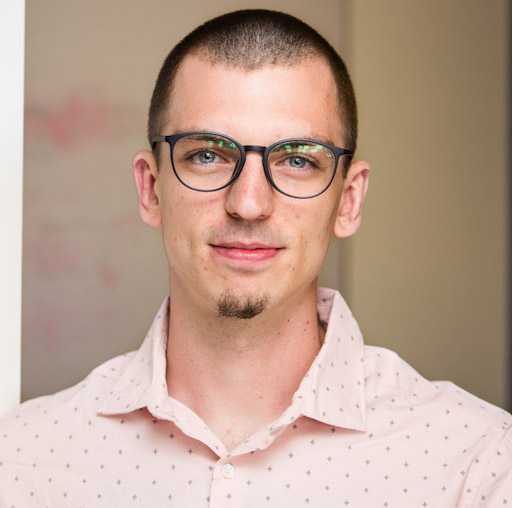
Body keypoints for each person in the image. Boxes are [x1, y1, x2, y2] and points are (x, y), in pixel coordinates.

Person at [1, 8, 511, 507]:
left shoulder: (479, 463)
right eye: (207, 155)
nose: (248, 204)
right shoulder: (21, 462)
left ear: (349, 200)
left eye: (297, 160)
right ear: (151, 189)